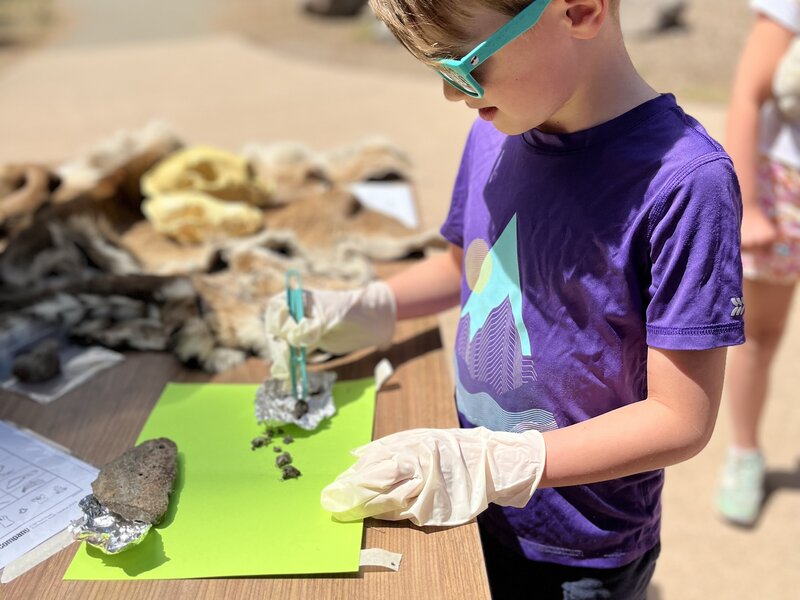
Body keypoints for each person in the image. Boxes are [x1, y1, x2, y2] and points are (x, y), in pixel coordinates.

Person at [266, 1, 744, 597]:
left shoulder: (685, 183)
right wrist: (367, 306)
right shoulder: (497, 130)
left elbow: (682, 419)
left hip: (578, 552)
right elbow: (467, 263)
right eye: (437, 72)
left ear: (578, 10)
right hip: (469, 506)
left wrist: (500, 462)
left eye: (464, 68)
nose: (451, 95)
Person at [717, 0, 800, 527]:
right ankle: (744, 454)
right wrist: (747, 207)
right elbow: (747, 94)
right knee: (760, 334)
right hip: (784, 186)